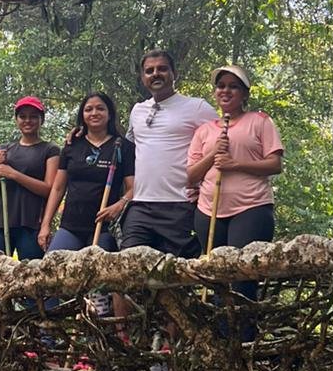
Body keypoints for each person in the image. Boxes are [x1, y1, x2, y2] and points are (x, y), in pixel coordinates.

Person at [187, 64, 284, 300]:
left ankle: (245, 335)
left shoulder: (260, 122)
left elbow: (275, 164)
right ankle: (220, 334)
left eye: (233, 87)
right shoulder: (204, 131)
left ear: (245, 94)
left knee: (242, 276)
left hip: (251, 207)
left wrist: (236, 164)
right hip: (209, 210)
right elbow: (191, 177)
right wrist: (213, 155)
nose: (225, 91)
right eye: (221, 86)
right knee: (217, 276)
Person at [119, 49, 217, 257]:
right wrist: (82, 131)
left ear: (174, 73)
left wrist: (206, 186)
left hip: (180, 205)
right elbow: (125, 147)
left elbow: (223, 141)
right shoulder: (137, 111)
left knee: (176, 276)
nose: (156, 74)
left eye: (162, 69)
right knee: (126, 271)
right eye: (149, 71)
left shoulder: (197, 107)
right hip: (141, 205)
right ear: (142, 77)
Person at [37, 93, 134, 254]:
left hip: (103, 227)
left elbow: (133, 188)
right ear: (82, 115)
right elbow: (58, 188)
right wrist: (45, 224)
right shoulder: (72, 145)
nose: (94, 113)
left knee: (97, 275)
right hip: (71, 225)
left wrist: (119, 205)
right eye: (88, 109)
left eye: (100, 108)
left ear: (109, 114)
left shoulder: (123, 147)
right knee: (53, 270)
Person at [0, 97, 59, 259]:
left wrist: (14, 174)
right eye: (22, 116)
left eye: (33, 116)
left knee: (30, 274)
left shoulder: (50, 150)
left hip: (31, 223)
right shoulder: (4, 151)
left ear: (41, 120)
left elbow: (49, 189)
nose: (27, 120)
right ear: (16, 120)